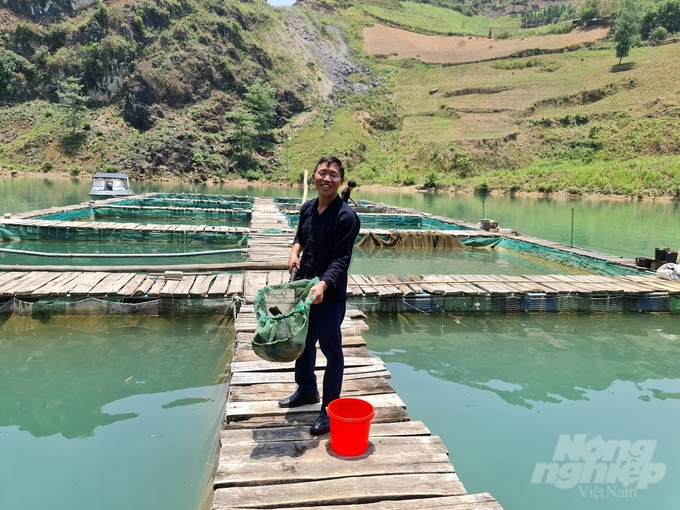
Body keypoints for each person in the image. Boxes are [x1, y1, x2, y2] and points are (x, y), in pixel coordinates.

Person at [279, 155, 361, 435]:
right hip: (304, 288)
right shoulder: (307, 208)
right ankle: (306, 389)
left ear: (340, 181)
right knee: (302, 342)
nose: (327, 178)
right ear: (314, 176)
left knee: (331, 349)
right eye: (322, 173)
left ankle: (329, 409)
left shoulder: (346, 216)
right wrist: (293, 252)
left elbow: (341, 260)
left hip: (329, 293)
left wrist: (323, 286)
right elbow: (300, 235)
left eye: (334, 175)